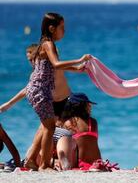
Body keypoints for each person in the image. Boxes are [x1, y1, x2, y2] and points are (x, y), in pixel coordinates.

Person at [0, 43, 81, 171]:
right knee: (46, 128)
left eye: (33, 59)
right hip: (52, 101)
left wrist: (80, 67)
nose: (31, 63)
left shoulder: (49, 66)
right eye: (29, 60)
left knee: (45, 128)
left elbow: (62, 66)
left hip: (62, 101)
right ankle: (37, 161)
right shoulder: (37, 72)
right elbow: (28, 89)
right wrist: (9, 104)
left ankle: (33, 160)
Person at [25, 13, 90, 171]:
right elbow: (57, 63)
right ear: (52, 28)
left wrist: (77, 69)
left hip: (39, 90)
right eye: (62, 28)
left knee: (47, 126)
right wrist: (79, 60)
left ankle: (32, 161)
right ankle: (45, 164)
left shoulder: (45, 44)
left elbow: (54, 66)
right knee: (49, 127)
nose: (64, 31)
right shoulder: (48, 44)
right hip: (40, 91)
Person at [61, 93, 102, 171]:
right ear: (82, 106)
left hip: (80, 164)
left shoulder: (69, 123)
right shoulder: (93, 122)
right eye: (88, 104)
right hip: (97, 162)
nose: (90, 107)